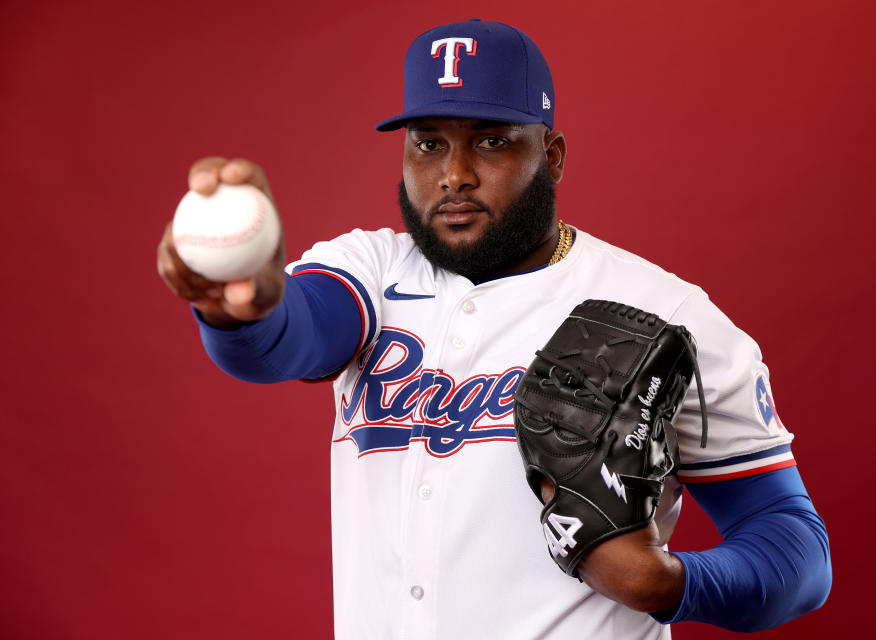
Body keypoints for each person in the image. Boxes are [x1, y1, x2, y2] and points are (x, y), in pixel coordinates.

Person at [158, 19, 831, 639]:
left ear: (553, 154)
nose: (454, 174)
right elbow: (285, 340)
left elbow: (795, 553)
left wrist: (667, 583)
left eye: (491, 140)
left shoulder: (666, 313)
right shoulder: (368, 269)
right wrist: (236, 309)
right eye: (428, 143)